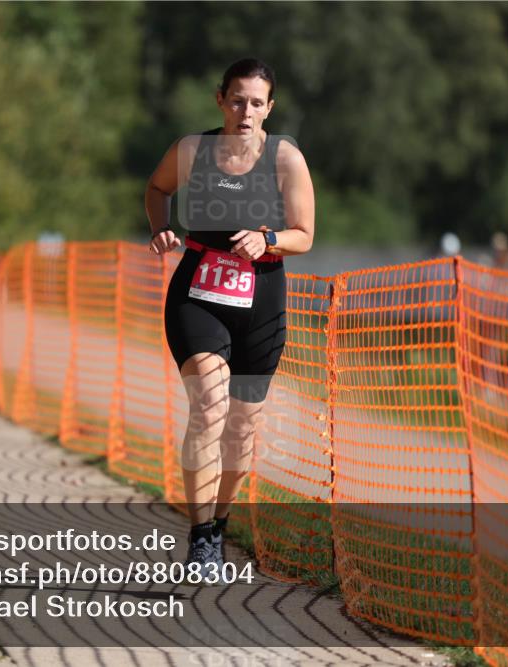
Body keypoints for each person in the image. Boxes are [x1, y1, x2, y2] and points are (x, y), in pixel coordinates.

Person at [144, 58, 315, 573]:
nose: (246, 111)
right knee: (208, 409)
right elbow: (157, 190)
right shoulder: (192, 150)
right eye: (237, 100)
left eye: (257, 103)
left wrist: (268, 240)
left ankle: (219, 525)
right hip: (198, 294)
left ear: (270, 108)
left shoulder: (286, 158)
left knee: (241, 428)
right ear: (220, 99)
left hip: (262, 300)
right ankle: (200, 538)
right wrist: (161, 227)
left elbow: (304, 236)